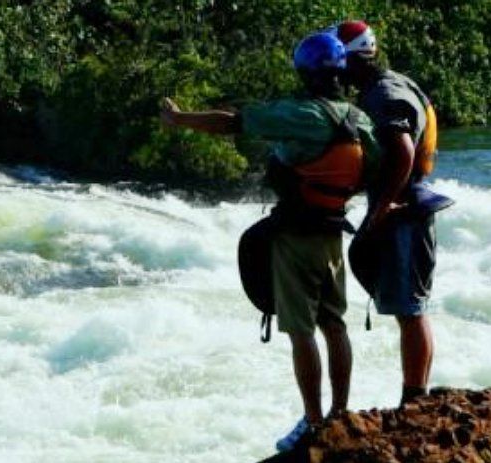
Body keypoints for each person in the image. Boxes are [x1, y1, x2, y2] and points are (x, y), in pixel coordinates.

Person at [161, 33, 382, 452]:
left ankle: (315, 424)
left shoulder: (301, 114)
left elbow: (234, 121)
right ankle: (340, 412)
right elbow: (374, 168)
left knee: (302, 332)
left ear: (306, 72)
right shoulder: (360, 119)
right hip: (334, 233)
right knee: (335, 325)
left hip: (295, 237)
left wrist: (181, 119)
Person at [334, 20, 452, 405]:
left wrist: (380, 211)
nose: (338, 73)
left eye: (340, 63)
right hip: (410, 206)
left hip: (404, 210)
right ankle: (416, 395)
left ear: (356, 59)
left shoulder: (384, 93)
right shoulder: (391, 83)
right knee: (413, 310)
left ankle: (412, 398)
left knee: (410, 309)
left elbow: (401, 151)